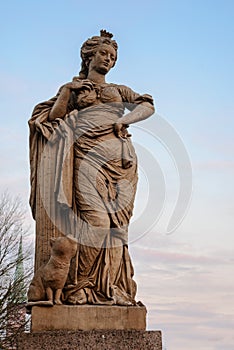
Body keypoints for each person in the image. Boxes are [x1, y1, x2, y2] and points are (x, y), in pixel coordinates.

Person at [29, 30, 154, 306]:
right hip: (86, 160)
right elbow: (53, 119)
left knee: (118, 229)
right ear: (89, 56)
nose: (108, 59)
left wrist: (126, 120)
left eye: (113, 56)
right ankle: (80, 286)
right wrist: (65, 93)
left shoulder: (119, 90)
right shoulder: (74, 89)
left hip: (122, 164)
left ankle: (111, 287)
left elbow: (147, 105)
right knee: (96, 223)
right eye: (103, 54)